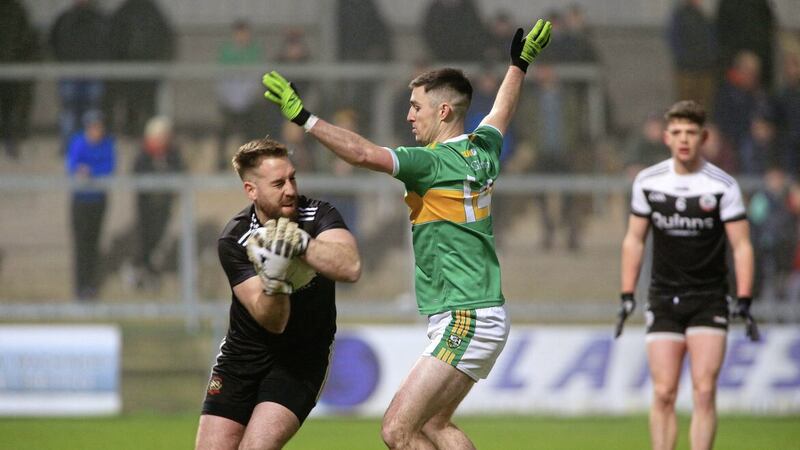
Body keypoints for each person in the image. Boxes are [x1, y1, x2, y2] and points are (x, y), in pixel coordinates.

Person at [262, 19, 551, 449]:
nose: (408, 114)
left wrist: (305, 118)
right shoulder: (483, 149)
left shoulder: (429, 163)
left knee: (396, 429)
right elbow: (501, 111)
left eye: (416, 106)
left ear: (444, 111)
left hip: (465, 314)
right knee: (434, 425)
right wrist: (519, 64)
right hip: (478, 311)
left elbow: (360, 153)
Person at [195, 138, 361, 449]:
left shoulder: (318, 215)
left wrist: (301, 244)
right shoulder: (235, 238)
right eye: (278, 183)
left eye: (292, 178)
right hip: (241, 358)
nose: (290, 189)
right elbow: (272, 320)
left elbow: (350, 267)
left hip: (300, 361)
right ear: (251, 190)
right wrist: (276, 277)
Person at [617, 100, 755, 450]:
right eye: (677, 132)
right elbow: (634, 239)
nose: (684, 139)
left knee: (704, 390)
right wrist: (627, 292)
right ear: (666, 137)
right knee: (663, 392)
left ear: (703, 137)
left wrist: (744, 297)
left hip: (709, 298)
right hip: (663, 298)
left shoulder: (722, 186)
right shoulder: (649, 182)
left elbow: (741, 246)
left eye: (691, 133)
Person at [65, 110, 116, 301]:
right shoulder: (78, 142)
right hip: (80, 201)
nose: (97, 130)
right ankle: (80, 287)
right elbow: (72, 165)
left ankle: (90, 286)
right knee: (81, 244)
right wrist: (82, 172)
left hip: (98, 201)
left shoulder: (107, 143)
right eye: (93, 126)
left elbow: (108, 167)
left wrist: (90, 172)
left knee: (93, 244)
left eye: (99, 126)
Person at [131, 116, 185, 291]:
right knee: (145, 238)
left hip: (164, 205)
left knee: (159, 238)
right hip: (147, 205)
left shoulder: (172, 153)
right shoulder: (144, 154)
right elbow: (137, 173)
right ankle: (140, 270)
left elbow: (181, 171)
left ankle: (151, 273)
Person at [107, 0, 175, 136]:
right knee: (132, 103)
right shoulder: (124, 11)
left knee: (149, 104)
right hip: (128, 67)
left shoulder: (153, 11)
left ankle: (151, 137)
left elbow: (165, 38)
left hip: (149, 68)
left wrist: (161, 62)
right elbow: (113, 39)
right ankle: (134, 133)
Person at [49, 0, 110, 150]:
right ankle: (69, 147)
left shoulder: (99, 19)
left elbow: (108, 43)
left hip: (92, 73)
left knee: (92, 113)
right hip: (69, 73)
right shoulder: (65, 18)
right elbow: (54, 42)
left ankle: (90, 147)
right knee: (69, 112)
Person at [215, 20, 265, 170]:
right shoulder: (226, 51)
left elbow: (257, 78)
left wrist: (248, 97)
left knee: (251, 129)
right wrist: (228, 99)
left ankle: (250, 160)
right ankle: (221, 163)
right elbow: (221, 78)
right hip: (229, 100)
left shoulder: (255, 51)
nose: (242, 37)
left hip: (249, 101)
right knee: (224, 130)